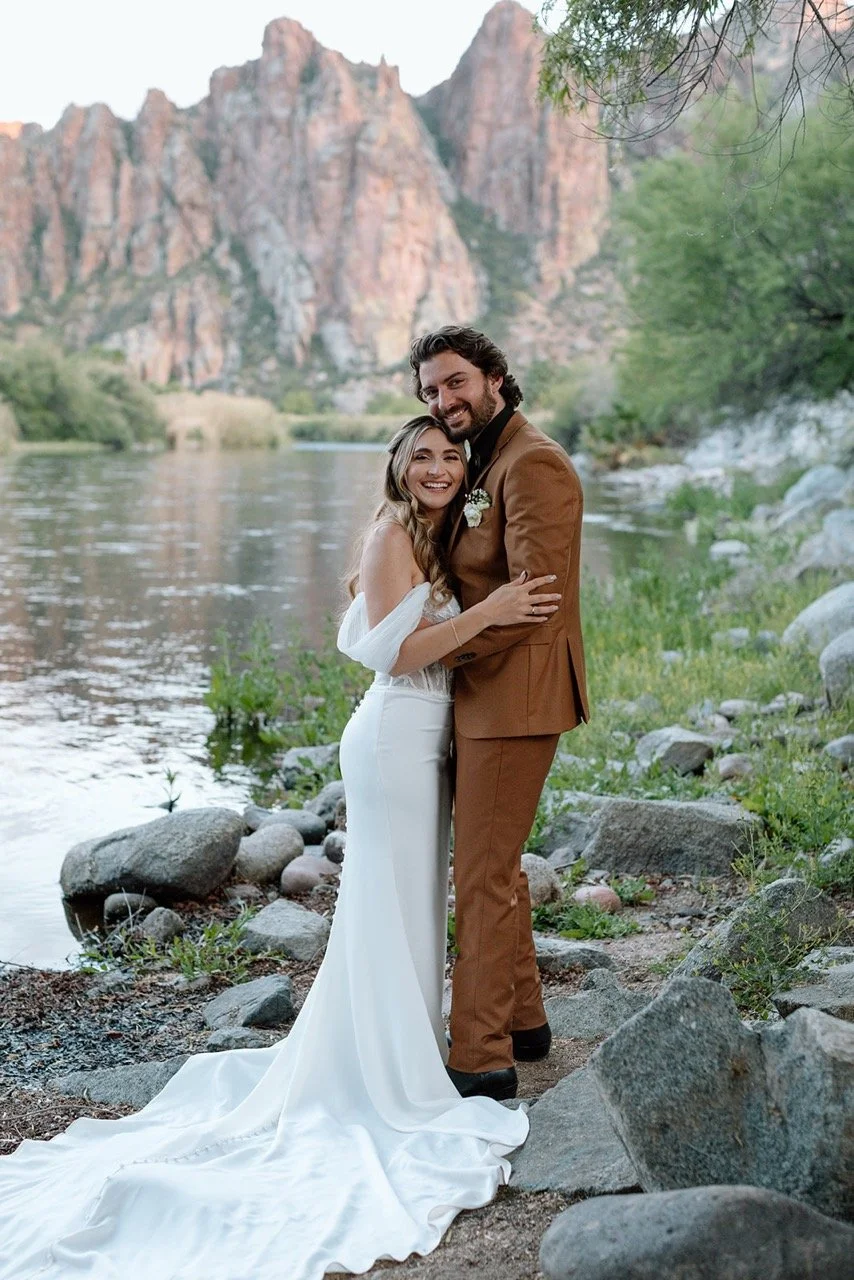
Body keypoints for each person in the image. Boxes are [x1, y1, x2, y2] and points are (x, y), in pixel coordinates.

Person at [0, 415, 561, 1280]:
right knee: (389, 900)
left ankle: (400, 1052)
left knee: (408, 903)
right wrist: (487, 611)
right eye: (424, 456)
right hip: (392, 739)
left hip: (425, 737)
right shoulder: (388, 532)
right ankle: (383, 1074)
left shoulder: (430, 532)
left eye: (452, 456)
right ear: (398, 467)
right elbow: (390, 649)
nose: (440, 467)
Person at [410, 327, 589, 1104]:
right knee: (498, 865)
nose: (442, 401)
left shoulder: (535, 462)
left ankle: (478, 1057)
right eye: (429, 392)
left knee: (479, 876)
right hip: (484, 694)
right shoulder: (481, 458)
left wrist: (438, 652)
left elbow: (535, 606)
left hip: (515, 697)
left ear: (493, 377)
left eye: (453, 383)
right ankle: (524, 1022)